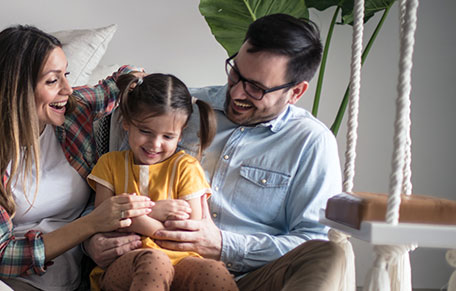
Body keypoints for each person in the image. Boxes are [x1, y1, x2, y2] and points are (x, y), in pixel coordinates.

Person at [86, 13, 346, 290]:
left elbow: (311, 238)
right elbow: (114, 190)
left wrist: (224, 246)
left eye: (256, 89)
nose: (236, 94)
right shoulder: (180, 110)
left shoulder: (311, 142)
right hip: (149, 263)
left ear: (295, 92)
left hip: (249, 278)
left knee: (327, 253)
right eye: (236, 74)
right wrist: (92, 242)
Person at [0, 25, 153, 291]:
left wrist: (136, 80)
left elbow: (120, 80)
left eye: (66, 75)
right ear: (15, 89)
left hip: (57, 282)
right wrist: (93, 222)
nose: (67, 89)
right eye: (52, 80)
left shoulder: (73, 113)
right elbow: (1, 254)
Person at [87, 73, 237, 291]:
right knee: (154, 261)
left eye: (167, 136)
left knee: (213, 271)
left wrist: (135, 216)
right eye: (145, 131)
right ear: (127, 123)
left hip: (182, 260)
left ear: (181, 134)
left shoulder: (185, 167)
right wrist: (156, 211)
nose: (155, 144)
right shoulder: (110, 164)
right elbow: (103, 218)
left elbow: (189, 229)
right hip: (127, 262)